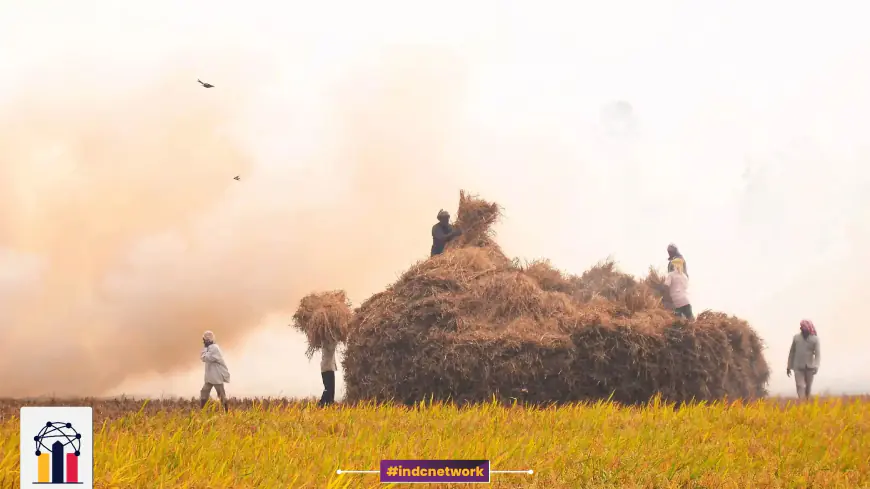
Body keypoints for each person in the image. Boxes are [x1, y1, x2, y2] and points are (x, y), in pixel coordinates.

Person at [787, 320, 820, 400]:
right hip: (798, 367)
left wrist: (816, 366)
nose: (804, 331)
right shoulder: (796, 338)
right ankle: (801, 403)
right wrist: (789, 366)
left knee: (808, 389)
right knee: (800, 385)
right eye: (802, 329)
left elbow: (817, 354)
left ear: (809, 330)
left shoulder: (815, 339)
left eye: (805, 329)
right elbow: (792, 352)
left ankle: (807, 403)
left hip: (810, 367)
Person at [200, 330, 231, 412]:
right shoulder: (208, 348)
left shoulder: (214, 348)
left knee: (221, 395)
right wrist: (205, 351)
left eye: (204, 339)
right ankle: (203, 411)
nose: (203, 341)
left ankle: (226, 412)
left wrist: (205, 352)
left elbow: (206, 358)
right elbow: (203, 357)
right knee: (204, 393)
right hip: (210, 377)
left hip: (216, 377)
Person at [319, 340, 337, 407]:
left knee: (331, 389)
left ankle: (330, 403)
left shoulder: (326, 343)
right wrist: (336, 340)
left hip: (330, 369)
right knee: (328, 388)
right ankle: (321, 403)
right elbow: (332, 348)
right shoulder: (325, 344)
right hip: (326, 369)